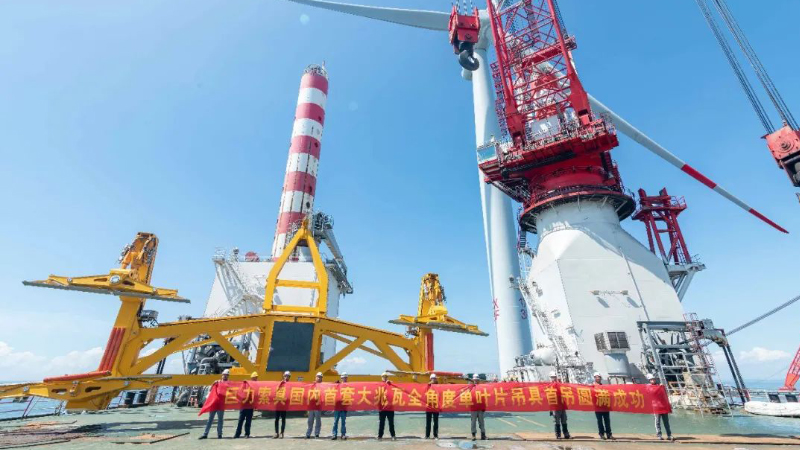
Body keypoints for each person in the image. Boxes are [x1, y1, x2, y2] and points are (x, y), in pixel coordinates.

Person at [199, 369, 229, 439]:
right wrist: (213, 384)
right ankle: (205, 434)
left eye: (226, 375)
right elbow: (210, 390)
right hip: (214, 403)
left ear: (228, 376)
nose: (225, 376)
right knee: (210, 419)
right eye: (224, 375)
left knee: (220, 420)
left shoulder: (228, 384)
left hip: (221, 405)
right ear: (222, 375)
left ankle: (219, 434)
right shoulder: (217, 382)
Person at [647, 374, 674, 441]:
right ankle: (659, 435)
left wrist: (663, 387)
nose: (653, 380)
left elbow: (665, 395)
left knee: (666, 422)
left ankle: (669, 435)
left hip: (663, 406)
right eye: (651, 379)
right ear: (649, 380)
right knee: (657, 422)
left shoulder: (659, 386)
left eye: (653, 379)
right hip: (656, 407)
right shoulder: (649, 387)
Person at [234, 371, 258, 438]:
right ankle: (237, 434)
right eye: (254, 377)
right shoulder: (246, 384)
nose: (255, 378)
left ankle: (247, 434)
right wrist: (243, 383)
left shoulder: (257, 386)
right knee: (240, 420)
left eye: (256, 377)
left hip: (250, 406)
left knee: (248, 421)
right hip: (243, 406)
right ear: (252, 378)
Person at [548, 371, 570, 439]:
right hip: (555, 406)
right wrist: (551, 409)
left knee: (564, 419)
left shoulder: (560, 384)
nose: (553, 378)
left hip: (562, 405)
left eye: (554, 377)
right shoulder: (549, 386)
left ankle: (566, 433)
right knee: (556, 421)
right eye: (552, 377)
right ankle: (558, 434)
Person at [593, 372, 613, 440]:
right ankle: (601, 434)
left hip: (605, 405)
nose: (598, 378)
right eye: (596, 377)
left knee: (607, 421)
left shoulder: (604, 386)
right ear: (594, 378)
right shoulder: (592, 386)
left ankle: (609, 434)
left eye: (599, 377)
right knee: (600, 421)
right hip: (597, 406)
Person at [377, 372, 396, 440]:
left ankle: (393, 436)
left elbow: (396, 389)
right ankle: (380, 436)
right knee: (381, 423)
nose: (384, 378)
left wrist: (390, 383)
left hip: (390, 408)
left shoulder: (391, 384)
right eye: (383, 377)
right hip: (382, 408)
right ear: (381, 378)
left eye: (386, 377)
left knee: (391, 423)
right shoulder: (379, 385)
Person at [306, 372, 324, 438]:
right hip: (311, 405)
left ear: (322, 378)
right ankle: (308, 433)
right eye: (318, 377)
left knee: (318, 420)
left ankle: (317, 433)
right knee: (310, 420)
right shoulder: (312, 385)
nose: (319, 378)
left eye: (320, 377)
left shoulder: (323, 386)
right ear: (316, 377)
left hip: (318, 406)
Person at [469, 374, 486, 441]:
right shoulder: (470, 387)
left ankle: (483, 435)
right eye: (475, 380)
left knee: (481, 422)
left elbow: (484, 397)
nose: (476, 381)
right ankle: (473, 435)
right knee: (473, 422)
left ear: (478, 380)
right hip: (473, 407)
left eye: (477, 380)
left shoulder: (481, 387)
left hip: (480, 407)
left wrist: (484, 407)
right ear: (473, 380)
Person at [332, 372, 348, 440]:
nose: (344, 379)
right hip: (337, 406)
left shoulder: (348, 386)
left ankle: (343, 434)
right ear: (341, 378)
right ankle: (334, 434)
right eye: (343, 378)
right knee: (335, 421)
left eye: (345, 378)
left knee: (343, 422)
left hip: (344, 407)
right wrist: (335, 384)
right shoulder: (337, 385)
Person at [274, 371, 290, 438]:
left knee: (283, 419)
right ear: (283, 376)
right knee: (276, 419)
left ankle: (282, 433)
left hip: (284, 404)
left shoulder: (290, 385)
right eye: (285, 376)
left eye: (288, 376)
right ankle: (276, 432)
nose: (286, 377)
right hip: (278, 403)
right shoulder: (279, 383)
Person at [425, 373, 439, 439]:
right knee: (428, 422)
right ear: (430, 379)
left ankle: (435, 435)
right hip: (429, 406)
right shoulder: (427, 386)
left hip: (436, 406)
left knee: (435, 422)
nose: (433, 380)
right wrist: (429, 384)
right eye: (432, 378)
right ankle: (427, 435)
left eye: (434, 378)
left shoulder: (438, 386)